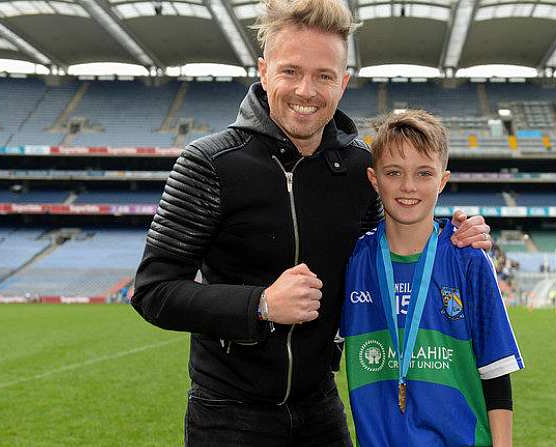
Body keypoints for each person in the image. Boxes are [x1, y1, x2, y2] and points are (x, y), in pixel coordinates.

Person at [130, 1, 492, 445]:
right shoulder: (208, 163)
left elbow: (393, 247)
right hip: (228, 415)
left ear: (343, 83)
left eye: (323, 76)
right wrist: (259, 304)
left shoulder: (359, 167)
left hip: (320, 409)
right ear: (263, 72)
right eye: (290, 71)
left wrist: (455, 235)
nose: (306, 90)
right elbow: (152, 291)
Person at [341, 110, 523, 447]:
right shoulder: (353, 263)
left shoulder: (468, 259)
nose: (408, 186)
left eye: (424, 173)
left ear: (442, 180)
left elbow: (496, 372)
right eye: (393, 172)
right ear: (373, 178)